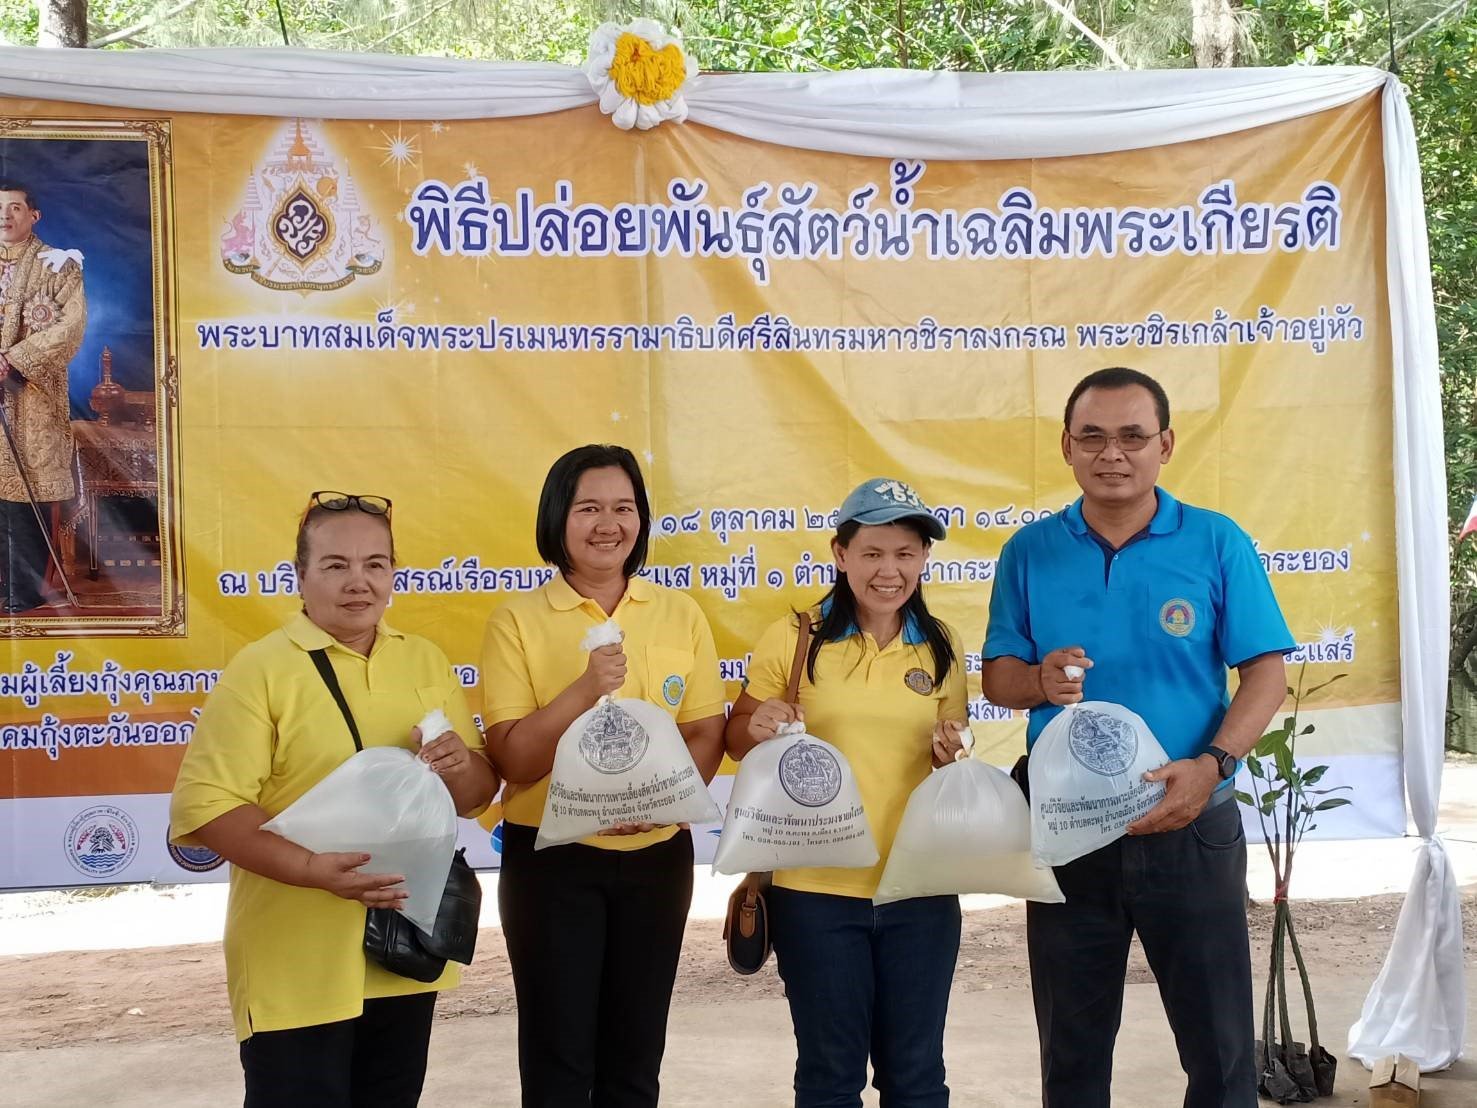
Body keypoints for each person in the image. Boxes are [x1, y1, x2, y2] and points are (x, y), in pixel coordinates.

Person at [981, 367, 1294, 1108]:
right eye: (1092, 437)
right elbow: (998, 678)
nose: (1111, 454)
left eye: (1131, 436)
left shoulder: (1215, 541)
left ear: (1165, 445)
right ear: (1066, 446)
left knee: (1220, 1054)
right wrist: (1038, 681)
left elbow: (1265, 675)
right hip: (1069, 832)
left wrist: (1211, 766)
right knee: (1072, 1055)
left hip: (1191, 824)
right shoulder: (1029, 551)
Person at [169, 491, 498, 1107]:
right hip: (296, 957)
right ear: (300, 576)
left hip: (403, 949)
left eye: (375, 564)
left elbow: (477, 797)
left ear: (393, 573)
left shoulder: (423, 660)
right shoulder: (262, 669)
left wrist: (460, 766)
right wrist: (311, 869)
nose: (358, 582)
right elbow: (210, 808)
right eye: (336, 565)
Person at [481, 444, 726, 1108]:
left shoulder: (680, 613)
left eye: (624, 508)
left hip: (656, 858)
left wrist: (662, 804)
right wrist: (583, 689)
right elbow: (513, 759)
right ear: (556, 518)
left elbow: (705, 732)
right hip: (552, 862)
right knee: (558, 1064)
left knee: (635, 1060)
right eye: (588, 508)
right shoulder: (516, 621)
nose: (608, 524)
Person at [726, 477, 969, 1108]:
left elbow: (950, 752)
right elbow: (737, 736)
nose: (890, 571)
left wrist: (951, 754)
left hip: (919, 889)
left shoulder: (941, 643)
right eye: (872, 553)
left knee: (917, 1079)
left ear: (924, 557)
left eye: (906, 553)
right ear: (840, 554)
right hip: (815, 894)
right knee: (830, 1079)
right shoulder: (796, 636)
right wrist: (757, 726)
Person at [0, 182, 85, 613]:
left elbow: (71, 325)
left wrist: (14, 361)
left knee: (25, 492)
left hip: (31, 397)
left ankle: (25, 590)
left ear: (34, 215)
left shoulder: (58, 265)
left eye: (15, 207)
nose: (5, 216)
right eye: (0, 208)